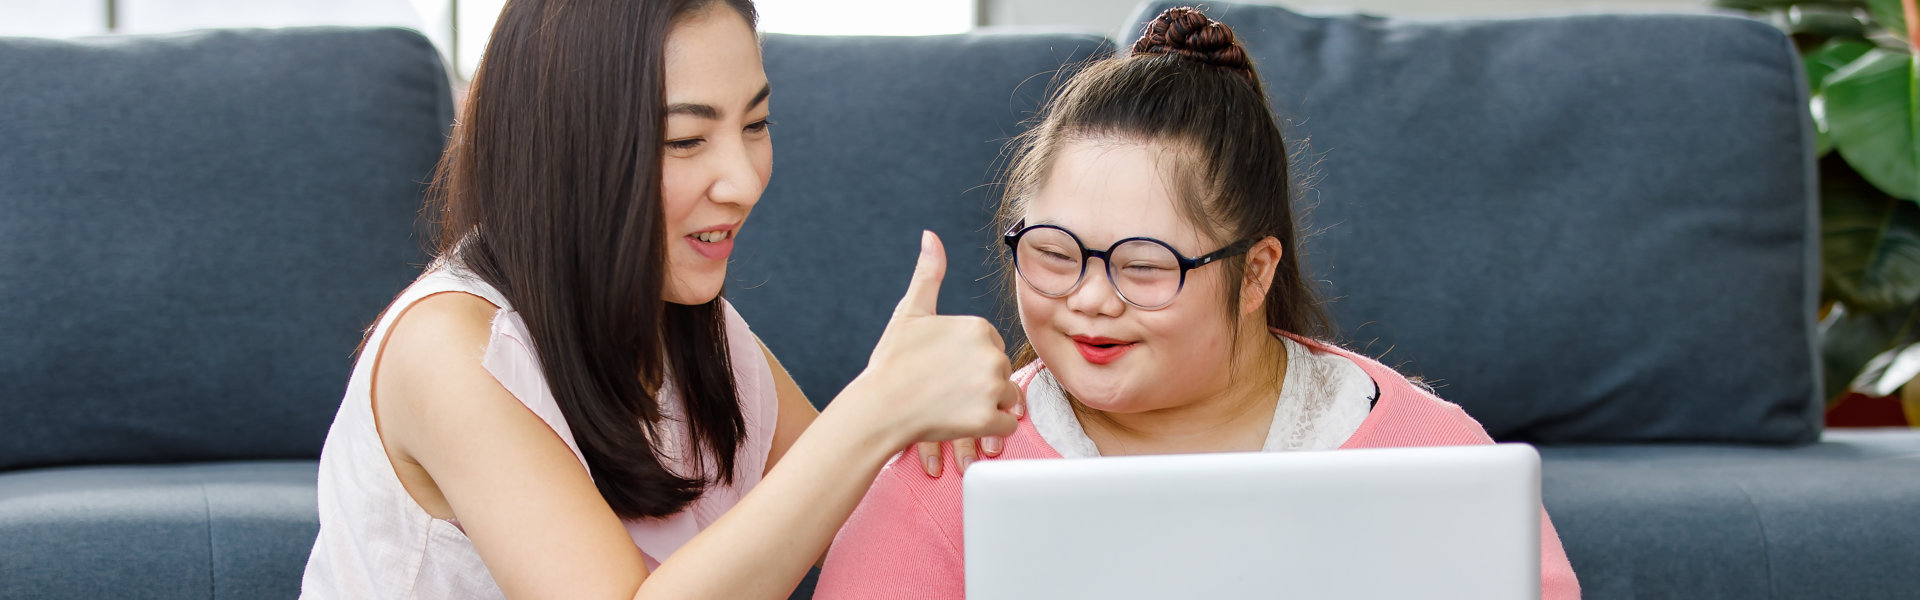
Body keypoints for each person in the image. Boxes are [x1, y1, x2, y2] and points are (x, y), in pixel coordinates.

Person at [814, 7, 1581, 599]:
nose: (1088, 300)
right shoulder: (948, 465)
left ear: (1254, 274)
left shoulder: (1434, 457)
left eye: (1143, 267)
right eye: (1053, 254)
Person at [299, 1, 1021, 598]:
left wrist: (952, 415)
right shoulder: (449, 348)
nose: (741, 179)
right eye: (685, 138)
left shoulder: (700, 337)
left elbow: (876, 515)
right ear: (571, 146)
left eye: (756, 124)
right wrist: (875, 410)